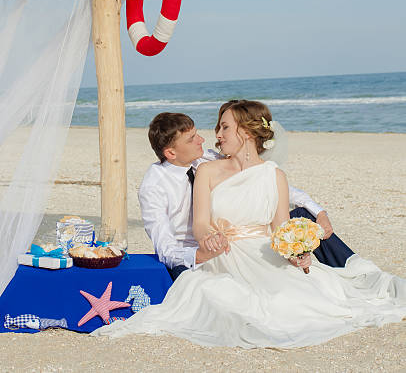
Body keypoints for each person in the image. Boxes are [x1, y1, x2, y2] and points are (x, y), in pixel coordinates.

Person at [93, 101, 406, 347]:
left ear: (246, 131)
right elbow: (180, 236)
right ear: (171, 152)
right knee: (233, 305)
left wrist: (302, 237)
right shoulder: (168, 181)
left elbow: (277, 208)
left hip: (261, 247)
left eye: (220, 128)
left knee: (307, 291)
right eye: (194, 137)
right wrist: (205, 247)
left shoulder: (218, 162)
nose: (209, 137)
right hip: (205, 254)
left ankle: (335, 264)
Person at [138, 110, 352, 282]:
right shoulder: (154, 186)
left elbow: (265, 183)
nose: (203, 139)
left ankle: (346, 265)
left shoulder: (206, 158)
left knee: (305, 216)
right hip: (195, 253)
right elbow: (165, 247)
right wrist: (202, 254)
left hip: (237, 237)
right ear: (171, 153)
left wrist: (320, 211)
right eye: (192, 138)